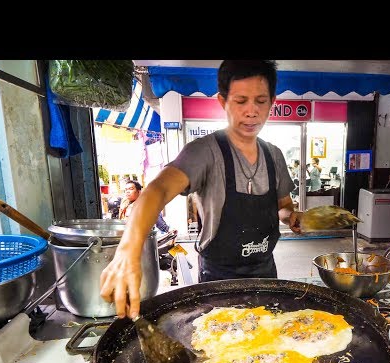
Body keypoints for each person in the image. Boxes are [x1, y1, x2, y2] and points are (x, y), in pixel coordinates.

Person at [100, 60, 304, 318]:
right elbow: (158, 190)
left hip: (265, 274)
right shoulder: (204, 152)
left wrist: (291, 216)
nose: (251, 111)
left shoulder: (274, 156)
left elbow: (283, 206)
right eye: (241, 101)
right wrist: (128, 250)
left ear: (272, 101)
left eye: (260, 101)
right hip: (218, 279)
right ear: (223, 101)